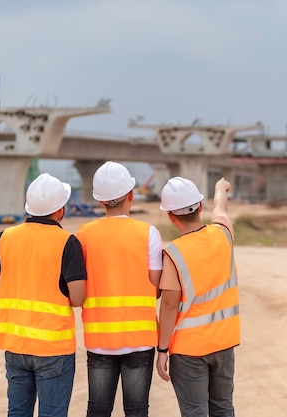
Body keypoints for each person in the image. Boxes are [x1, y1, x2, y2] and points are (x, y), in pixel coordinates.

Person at [0, 173, 87, 417]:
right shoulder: (67, 242)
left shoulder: (5, 237)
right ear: (61, 210)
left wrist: (13, 291)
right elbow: (78, 298)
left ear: (28, 208)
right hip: (53, 348)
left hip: (15, 344)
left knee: (17, 412)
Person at [77, 161, 163, 417]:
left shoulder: (84, 234)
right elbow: (156, 286)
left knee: (98, 410)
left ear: (100, 201)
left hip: (99, 339)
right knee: (137, 411)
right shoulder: (148, 233)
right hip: (139, 339)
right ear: (131, 195)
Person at [156, 176, 241, 417]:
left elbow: (170, 306)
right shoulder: (223, 233)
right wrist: (220, 188)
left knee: (194, 412)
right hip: (224, 343)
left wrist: (162, 351)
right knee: (223, 408)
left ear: (171, 216)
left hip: (188, 350)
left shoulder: (173, 253)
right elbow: (221, 208)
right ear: (200, 207)